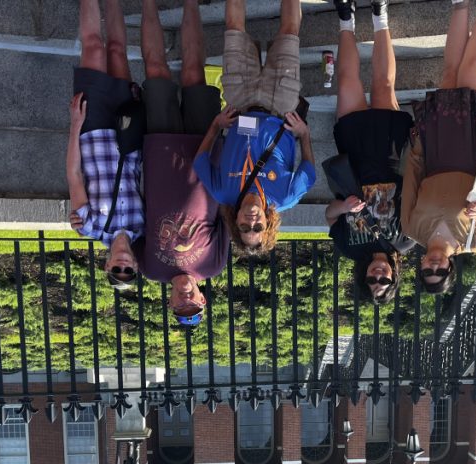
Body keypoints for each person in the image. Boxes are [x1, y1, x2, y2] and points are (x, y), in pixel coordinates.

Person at [401, 0, 476, 294]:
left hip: (437, 150)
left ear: (421, 267)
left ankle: (459, 6)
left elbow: (411, 181)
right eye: (439, 272)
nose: (433, 265)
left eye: (427, 271)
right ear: (449, 270)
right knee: (473, 72)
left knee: (450, 74)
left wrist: (419, 145)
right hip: (474, 153)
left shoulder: (411, 229)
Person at [192, 0, 317, 256]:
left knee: (234, 29)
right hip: (280, 106)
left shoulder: (222, 192)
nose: (252, 220)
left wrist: (216, 126)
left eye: (245, 227)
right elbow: (309, 172)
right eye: (258, 226)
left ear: (235, 224)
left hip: (240, 102)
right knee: (289, 32)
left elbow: (200, 162)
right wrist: (303, 134)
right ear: (267, 224)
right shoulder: (285, 198)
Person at [133, 0, 229, 327]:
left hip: (159, 150)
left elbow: (130, 227)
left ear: (170, 302)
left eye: (180, 307)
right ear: (203, 298)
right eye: (194, 305)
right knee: (193, 71)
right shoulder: (214, 265)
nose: (186, 300)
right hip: (206, 147)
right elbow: (229, 211)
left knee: (155, 70)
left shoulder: (150, 269)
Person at [324, 0, 412, 306]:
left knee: (347, 83)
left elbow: (329, 216)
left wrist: (344, 207)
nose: (378, 276)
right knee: (384, 85)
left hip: (355, 157)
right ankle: (379, 15)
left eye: (371, 282)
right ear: (393, 277)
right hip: (390, 154)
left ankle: (345, 18)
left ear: (364, 277)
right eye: (384, 282)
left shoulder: (349, 248)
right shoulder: (405, 242)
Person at [66, 0, 144, 290]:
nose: (123, 264)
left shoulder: (88, 227)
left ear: (107, 264)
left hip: (94, 129)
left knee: (94, 48)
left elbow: (74, 173)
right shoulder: (144, 226)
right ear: (135, 265)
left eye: (117, 269)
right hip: (127, 132)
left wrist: (75, 124)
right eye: (128, 270)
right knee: (116, 52)